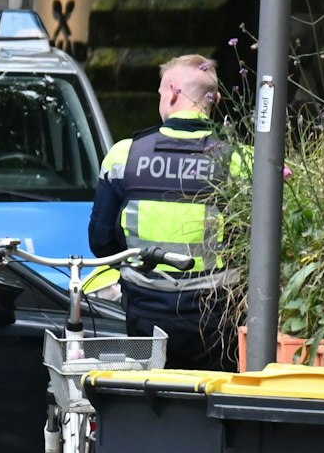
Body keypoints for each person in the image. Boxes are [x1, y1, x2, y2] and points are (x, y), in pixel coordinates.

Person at [89, 53, 250, 371]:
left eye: (161, 92)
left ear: (174, 91)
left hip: (144, 314)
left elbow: (101, 243)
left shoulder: (126, 155)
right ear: (215, 99)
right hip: (214, 320)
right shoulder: (240, 161)